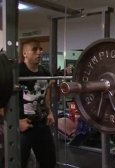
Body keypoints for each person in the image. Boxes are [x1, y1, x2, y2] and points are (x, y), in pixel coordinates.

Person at [19, 40, 56, 168]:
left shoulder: (44, 72)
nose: (39, 52)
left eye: (40, 49)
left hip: (41, 122)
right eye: (34, 49)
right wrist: (17, 122)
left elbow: (45, 94)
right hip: (23, 125)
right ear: (25, 53)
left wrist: (49, 112)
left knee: (49, 161)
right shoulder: (16, 72)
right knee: (19, 162)